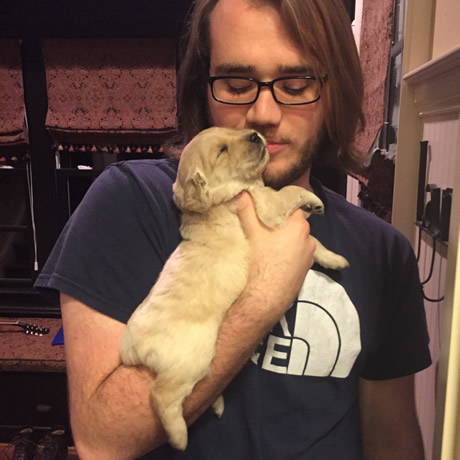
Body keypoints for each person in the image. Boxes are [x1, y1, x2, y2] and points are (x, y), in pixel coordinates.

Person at [35, 0, 432, 459]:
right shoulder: (129, 202)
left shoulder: (384, 252)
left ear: (334, 89)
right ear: (204, 87)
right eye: (237, 85)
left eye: (296, 85)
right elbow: (101, 440)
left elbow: (392, 441)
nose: (264, 113)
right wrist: (260, 298)